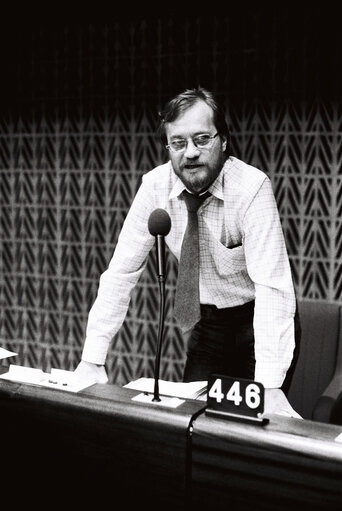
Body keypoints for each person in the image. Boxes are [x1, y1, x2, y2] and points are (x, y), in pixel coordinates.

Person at [74, 87, 301, 418]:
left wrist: (268, 385)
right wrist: (92, 359)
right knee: (192, 426)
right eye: (178, 143)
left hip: (258, 323)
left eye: (202, 139)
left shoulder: (251, 188)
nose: (190, 152)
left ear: (223, 140)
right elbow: (120, 273)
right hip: (209, 326)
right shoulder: (154, 187)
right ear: (168, 147)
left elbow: (272, 288)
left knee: (249, 426)